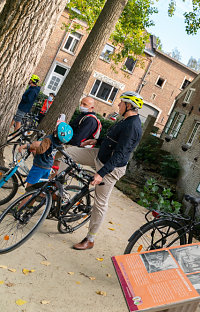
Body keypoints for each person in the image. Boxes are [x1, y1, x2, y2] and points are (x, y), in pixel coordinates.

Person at [58, 91, 143, 250]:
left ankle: (90, 239)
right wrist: (97, 140)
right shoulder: (124, 120)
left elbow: (120, 154)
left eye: (121, 102)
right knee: (68, 153)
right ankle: (60, 192)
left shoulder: (132, 126)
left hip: (111, 167)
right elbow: (113, 141)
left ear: (129, 105)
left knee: (100, 203)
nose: (118, 105)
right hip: (100, 155)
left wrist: (101, 173)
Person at [17, 121, 73, 207]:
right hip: (47, 168)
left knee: (29, 191)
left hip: (38, 168)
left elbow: (41, 150)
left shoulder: (48, 139)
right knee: (37, 190)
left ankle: (19, 209)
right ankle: (29, 207)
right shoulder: (59, 144)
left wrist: (29, 147)